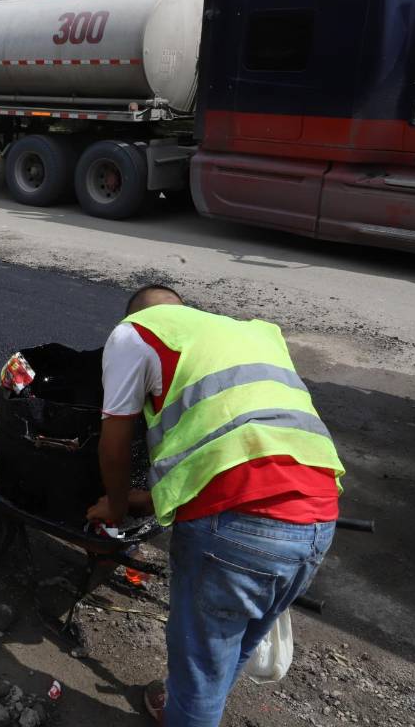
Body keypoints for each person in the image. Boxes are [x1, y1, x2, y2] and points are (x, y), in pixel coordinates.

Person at [89, 285, 344, 727]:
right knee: (229, 651)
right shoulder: (247, 333)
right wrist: (151, 498)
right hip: (318, 519)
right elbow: (232, 439)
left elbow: (115, 444)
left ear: (136, 314)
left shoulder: (134, 332)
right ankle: (183, 707)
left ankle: (189, 710)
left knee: (201, 675)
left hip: (239, 528)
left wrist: (114, 506)